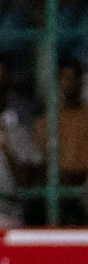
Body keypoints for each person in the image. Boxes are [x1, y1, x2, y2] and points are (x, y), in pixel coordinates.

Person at [35, 58, 88, 221]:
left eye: (73, 78)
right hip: (57, 195)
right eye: (64, 78)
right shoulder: (46, 121)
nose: (69, 83)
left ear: (81, 81)